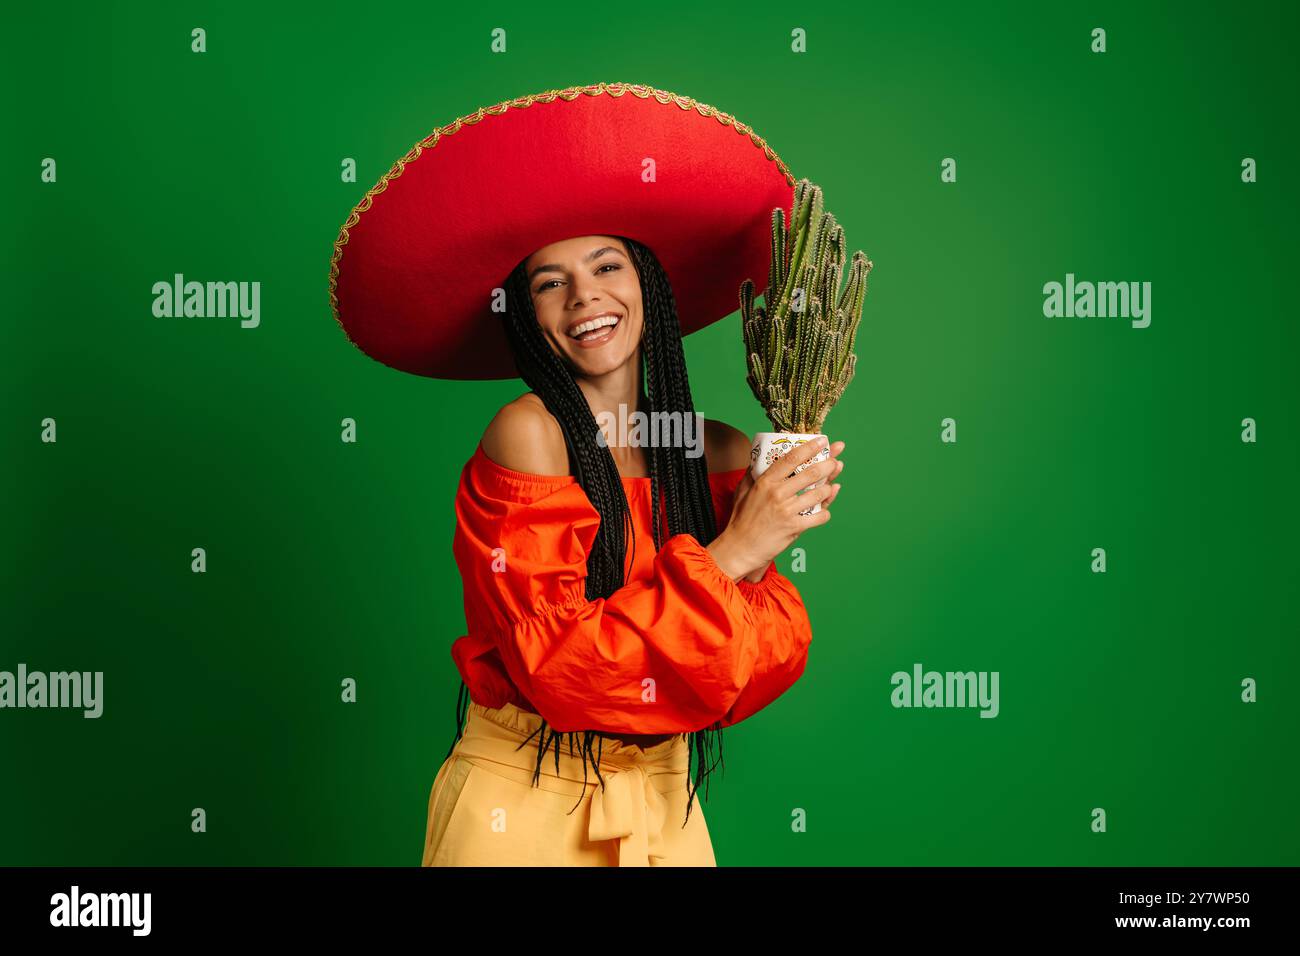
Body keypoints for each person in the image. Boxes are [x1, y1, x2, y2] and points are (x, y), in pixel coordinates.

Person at [328, 83, 846, 866]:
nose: (584, 297)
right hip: (526, 807)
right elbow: (559, 673)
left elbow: (744, 678)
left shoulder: (717, 451)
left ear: (650, 285)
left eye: (608, 264)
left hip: (665, 807)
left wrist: (768, 534)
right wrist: (735, 553)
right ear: (526, 315)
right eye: (548, 282)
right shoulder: (528, 434)